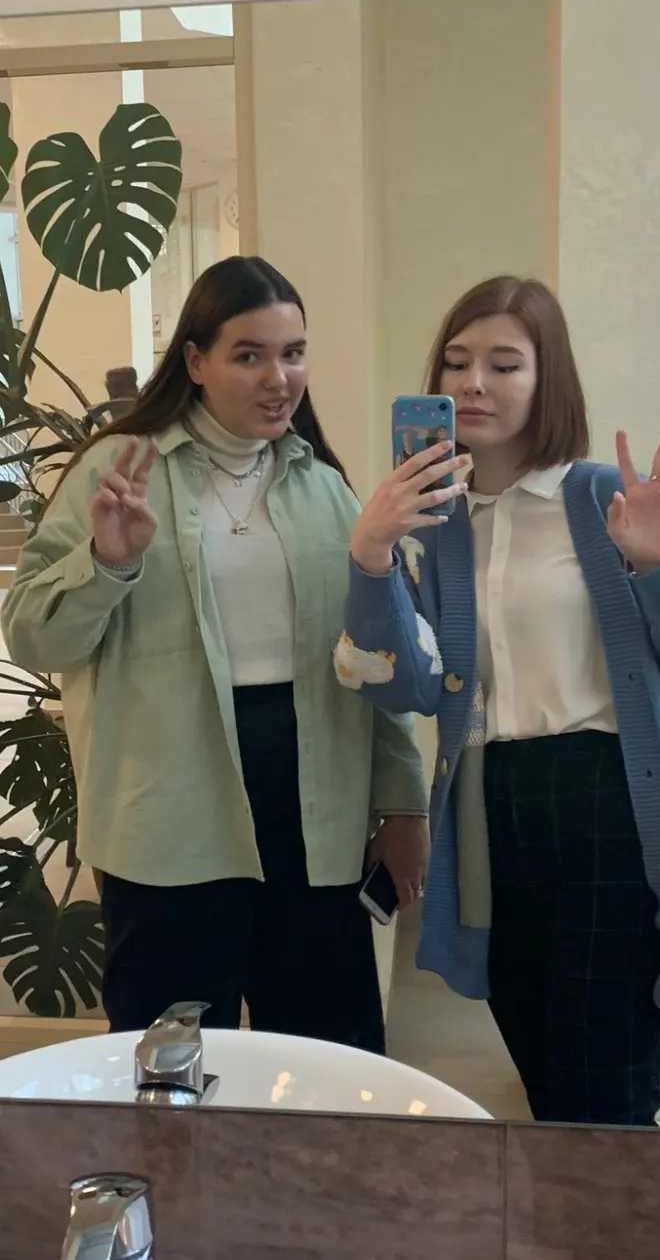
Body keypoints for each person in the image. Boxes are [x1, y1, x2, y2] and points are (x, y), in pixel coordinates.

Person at [334, 274, 660, 1124]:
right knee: (551, 1089)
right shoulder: (437, 525)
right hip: (491, 817)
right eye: (457, 362)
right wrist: (372, 555)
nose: (474, 383)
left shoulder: (607, 502)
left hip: (608, 809)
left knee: (598, 1103)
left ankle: (616, 1206)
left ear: (549, 381)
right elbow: (393, 683)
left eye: (505, 365)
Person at [2, 255, 429, 1049]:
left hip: (317, 809)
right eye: (249, 355)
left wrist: (402, 801)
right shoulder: (118, 470)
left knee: (325, 1058)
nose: (278, 378)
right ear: (195, 361)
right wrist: (107, 562)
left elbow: (371, 654)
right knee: (171, 1062)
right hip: (171, 815)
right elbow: (33, 634)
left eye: (293, 353)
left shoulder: (325, 488)